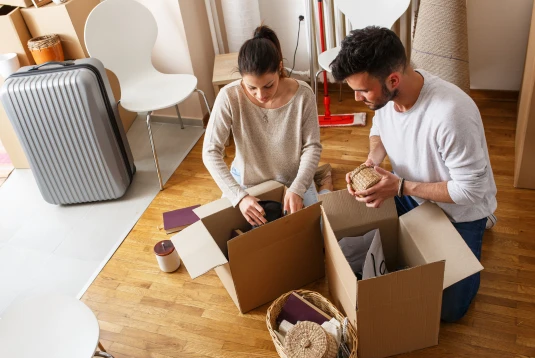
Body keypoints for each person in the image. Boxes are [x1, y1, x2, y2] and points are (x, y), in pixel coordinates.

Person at [330, 26, 497, 322]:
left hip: (458, 212)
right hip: (409, 193)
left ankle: (485, 222)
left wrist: (402, 187)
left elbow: (471, 191)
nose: (357, 98)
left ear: (393, 79)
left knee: (448, 311)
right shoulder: (383, 98)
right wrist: (371, 164)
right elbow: (379, 131)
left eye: (362, 90)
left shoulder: (451, 114)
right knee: (349, 228)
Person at [203, 25, 332, 227]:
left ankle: (324, 184)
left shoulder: (303, 94)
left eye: (268, 85)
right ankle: (321, 178)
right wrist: (239, 196)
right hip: (246, 180)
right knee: (230, 238)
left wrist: (298, 187)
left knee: (318, 235)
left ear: (280, 68)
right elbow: (210, 152)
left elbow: (312, 147)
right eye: (251, 87)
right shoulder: (229, 96)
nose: (261, 95)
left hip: (293, 180)